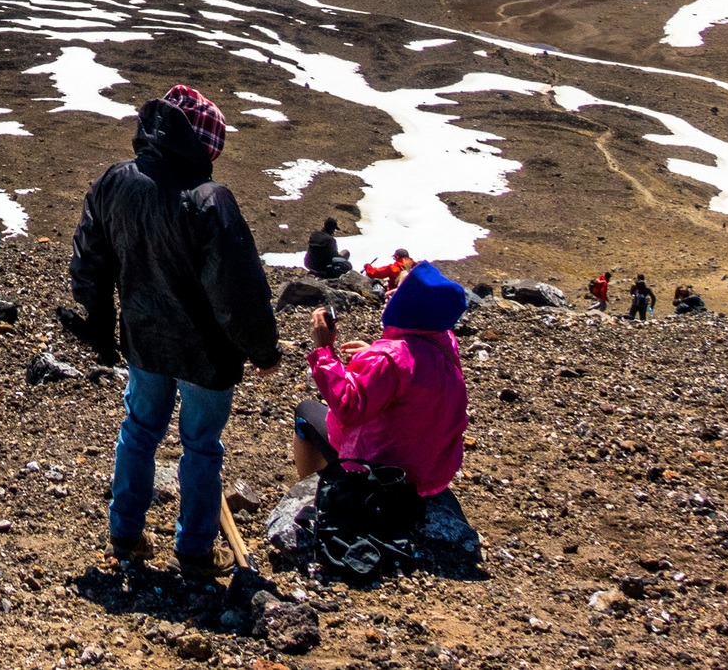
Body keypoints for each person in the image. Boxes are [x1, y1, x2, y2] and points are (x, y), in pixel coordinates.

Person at [68, 84, 281, 581]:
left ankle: (125, 533)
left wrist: (99, 320)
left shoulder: (117, 180)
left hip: (143, 338)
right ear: (204, 144)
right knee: (202, 446)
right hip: (206, 354)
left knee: (139, 433)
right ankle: (194, 551)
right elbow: (237, 291)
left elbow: (89, 259)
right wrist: (263, 350)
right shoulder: (210, 200)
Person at [290, 261, 471, 499]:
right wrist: (371, 353)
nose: (389, 293)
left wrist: (324, 349)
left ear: (414, 304)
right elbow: (415, 374)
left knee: (305, 413)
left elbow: (348, 407)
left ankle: (316, 498)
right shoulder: (444, 340)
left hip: (382, 475)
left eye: (399, 291)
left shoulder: (390, 358)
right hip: (431, 472)